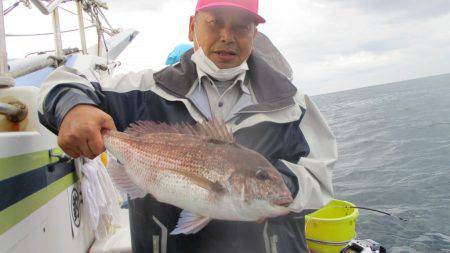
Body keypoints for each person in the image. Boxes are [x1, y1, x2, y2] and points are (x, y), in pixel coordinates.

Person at [38, 0, 337, 252]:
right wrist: (73, 107)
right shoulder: (144, 89)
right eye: (215, 22)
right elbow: (64, 80)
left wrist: (277, 189)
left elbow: (321, 176)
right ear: (192, 27)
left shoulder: (291, 104)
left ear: (255, 33)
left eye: (241, 26)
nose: (227, 36)